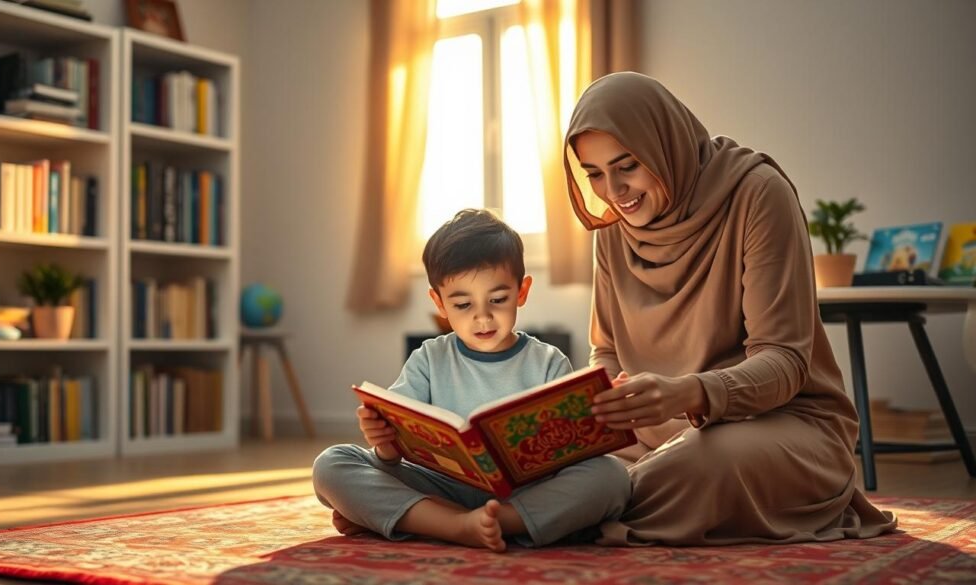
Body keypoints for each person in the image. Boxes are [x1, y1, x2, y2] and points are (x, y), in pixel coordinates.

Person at [562, 72, 897, 545]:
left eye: (627, 166)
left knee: (696, 466)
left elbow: (784, 362)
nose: (613, 192)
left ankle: (570, 513)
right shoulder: (615, 229)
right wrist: (603, 401)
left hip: (782, 426)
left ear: (664, 144)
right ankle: (577, 505)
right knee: (560, 468)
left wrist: (688, 393)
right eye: (594, 174)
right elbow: (607, 351)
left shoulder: (758, 194)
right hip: (653, 437)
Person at [313, 209, 631, 552]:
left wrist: (602, 414)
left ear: (522, 292)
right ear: (439, 303)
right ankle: (458, 525)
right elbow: (395, 451)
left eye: (498, 300)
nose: (483, 317)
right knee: (332, 464)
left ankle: (483, 522)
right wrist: (384, 446)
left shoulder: (549, 362)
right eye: (463, 304)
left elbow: (572, 450)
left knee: (611, 476)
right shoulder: (428, 359)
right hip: (440, 486)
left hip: (525, 493)